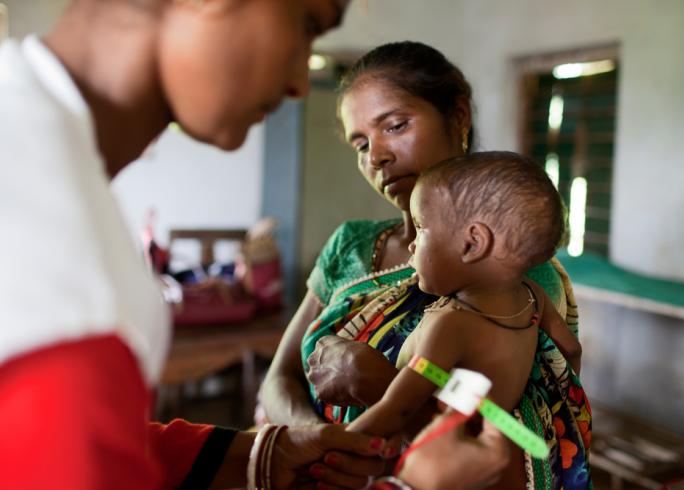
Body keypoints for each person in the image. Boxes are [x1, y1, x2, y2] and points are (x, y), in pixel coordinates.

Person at [0, 0, 402, 488]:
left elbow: (75, 443)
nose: (299, 82)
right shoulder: (42, 227)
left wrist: (255, 456)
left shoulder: (39, 154)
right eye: (306, 25)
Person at [261, 41, 592, 488]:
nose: (375, 156)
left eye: (395, 126)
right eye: (360, 144)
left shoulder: (512, 274)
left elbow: (519, 441)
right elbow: (278, 378)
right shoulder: (351, 245)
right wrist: (319, 447)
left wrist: (387, 385)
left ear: (457, 118)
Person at [346, 152, 582, 468]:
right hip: (499, 443)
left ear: (472, 243)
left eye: (421, 228)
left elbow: (398, 409)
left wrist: (333, 445)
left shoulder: (451, 325)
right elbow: (571, 349)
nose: (413, 245)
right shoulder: (533, 296)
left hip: (438, 459)